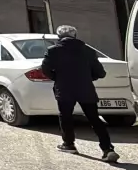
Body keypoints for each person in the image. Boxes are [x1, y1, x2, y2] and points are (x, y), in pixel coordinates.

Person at [40, 25, 119, 162]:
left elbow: (45, 70)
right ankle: (107, 149)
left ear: (59, 36)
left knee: (66, 117)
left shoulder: (53, 51)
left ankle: (69, 144)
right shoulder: (88, 50)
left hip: (64, 89)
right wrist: (88, 78)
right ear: (75, 35)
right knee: (94, 119)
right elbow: (100, 72)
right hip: (85, 88)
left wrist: (57, 78)